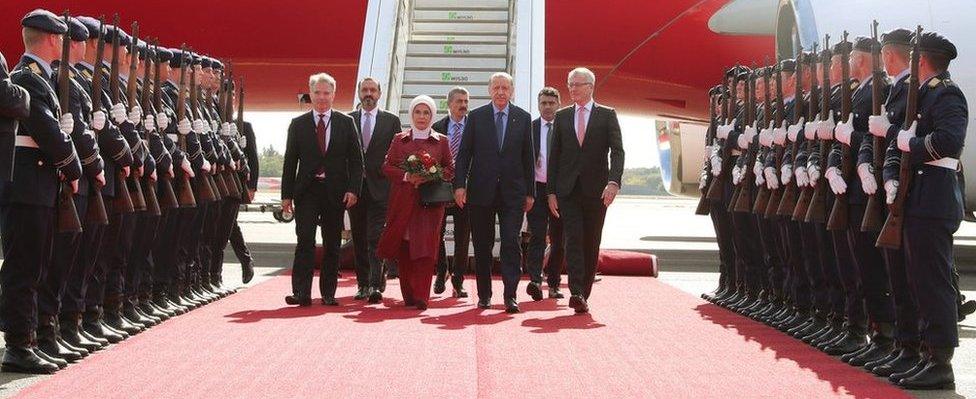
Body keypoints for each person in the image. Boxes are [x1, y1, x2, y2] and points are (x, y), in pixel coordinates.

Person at [881, 31, 966, 390]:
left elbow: (949, 141)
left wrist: (910, 143)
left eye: (914, 58)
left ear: (924, 60)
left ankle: (941, 360)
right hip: (920, 196)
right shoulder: (925, 93)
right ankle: (924, 352)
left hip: (935, 198)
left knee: (933, 282)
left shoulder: (946, 93)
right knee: (918, 280)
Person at [1, 9, 83, 374]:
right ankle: (19, 344)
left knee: (36, 266)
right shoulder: (28, 77)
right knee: (24, 267)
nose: (64, 43)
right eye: (61, 37)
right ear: (51, 39)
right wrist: (73, 164)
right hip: (28, 186)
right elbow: (48, 131)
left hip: (40, 186)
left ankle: (30, 339)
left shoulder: (42, 79)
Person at [453, 72, 534, 313]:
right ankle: (484, 295)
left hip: (513, 193)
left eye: (505, 88)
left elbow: (528, 159)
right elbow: (464, 154)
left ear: (511, 91)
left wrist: (530, 193)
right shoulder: (476, 117)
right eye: (496, 87)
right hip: (480, 192)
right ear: (490, 90)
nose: (500, 92)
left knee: (511, 242)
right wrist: (459, 185)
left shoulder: (523, 117)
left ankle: (510, 296)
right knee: (482, 245)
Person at [281, 72, 363, 306]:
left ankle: (328, 293)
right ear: (311, 93)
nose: (322, 97)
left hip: (335, 192)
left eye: (327, 93)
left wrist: (353, 190)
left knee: (332, 244)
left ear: (334, 95)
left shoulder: (346, 123)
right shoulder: (298, 124)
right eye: (317, 92)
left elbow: (357, 161)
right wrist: (286, 195)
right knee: (305, 241)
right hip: (307, 191)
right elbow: (290, 161)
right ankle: (301, 292)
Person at [547, 67, 624, 314]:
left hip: (597, 190)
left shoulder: (607, 115)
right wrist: (551, 192)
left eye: (577, 84)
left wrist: (613, 182)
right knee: (573, 239)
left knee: (591, 241)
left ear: (591, 86)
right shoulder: (562, 116)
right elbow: (554, 156)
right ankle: (576, 291)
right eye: (570, 84)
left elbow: (618, 151)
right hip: (567, 189)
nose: (572, 88)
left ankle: (584, 291)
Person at [376, 95, 454, 310]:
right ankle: (408, 295)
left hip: (429, 205)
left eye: (426, 112)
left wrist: (431, 174)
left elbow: (450, 169)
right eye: (418, 112)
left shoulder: (442, 141)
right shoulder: (399, 139)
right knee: (406, 247)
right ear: (411, 114)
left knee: (426, 249)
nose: (422, 116)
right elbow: (387, 167)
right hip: (402, 202)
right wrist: (407, 176)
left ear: (432, 116)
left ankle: (422, 296)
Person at [348, 77, 401, 302]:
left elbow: (397, 156)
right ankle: (362, 284)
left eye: (372, 90)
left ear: (379, 93)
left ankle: (375, 284)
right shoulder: (347, 120)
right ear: (359, 93)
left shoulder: (391, 121)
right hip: (355, 190)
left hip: (382, 189)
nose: (368, 94)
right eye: (364, 90)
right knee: (359, 238)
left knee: (375, 237)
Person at [525, 87, 565, 300]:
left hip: (560, 191)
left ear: (558, 104)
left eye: (551, 103)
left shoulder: (566, 127)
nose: (547, 107)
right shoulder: (530, 128)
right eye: (544, 103)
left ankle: (554, 284)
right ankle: (535, 280)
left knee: (559, 239)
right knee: (537, 236)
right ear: (538, 105)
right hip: (537, 190)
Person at [433, 87, 470, 298]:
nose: (463, 105)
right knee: (436, 233)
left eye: (466, 101)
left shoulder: (475, 125)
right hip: (440, 189)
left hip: (467, 190)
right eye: (459, 101)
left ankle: (458, 280)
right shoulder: (438, 128)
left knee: (463, 236)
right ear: (449, 104)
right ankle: (441, 271)